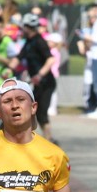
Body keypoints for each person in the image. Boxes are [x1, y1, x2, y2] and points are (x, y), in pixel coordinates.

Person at [9, 13, 58, 142]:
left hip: (46, 82)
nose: (21, 29)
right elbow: (19, 57)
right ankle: (38, 139)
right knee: (32, 111)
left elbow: (51, 59)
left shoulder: (39, 41)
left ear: (28, 27)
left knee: (41, 112)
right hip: (36, 83)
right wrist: (8, 69)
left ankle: (49, 141)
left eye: (23, 27)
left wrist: (40, 75)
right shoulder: (29, 42)